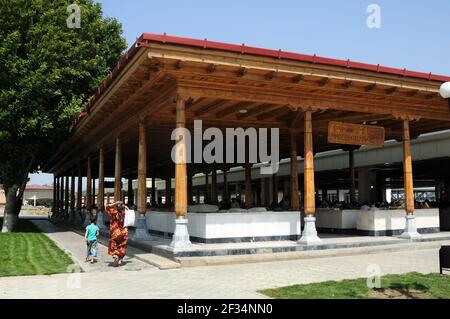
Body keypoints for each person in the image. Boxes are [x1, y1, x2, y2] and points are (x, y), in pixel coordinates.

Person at [106, 201, 129, 267]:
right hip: (124, 231)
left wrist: (114, 204)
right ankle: (120, 260)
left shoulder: (113, 212)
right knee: (123, 246)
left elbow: (107, 207)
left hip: (115, 231)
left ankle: (115, 255)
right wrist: (124, 206)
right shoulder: (124, 212)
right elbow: (130, 213)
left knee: (113, 244)